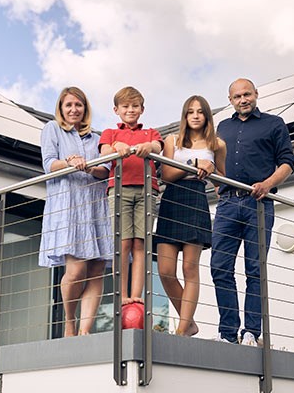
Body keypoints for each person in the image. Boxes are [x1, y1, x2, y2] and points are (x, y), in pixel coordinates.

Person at [210, 78, 294, 345]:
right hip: (226, 205)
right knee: (219, 266)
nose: (243, 99)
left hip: (258, 203)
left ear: (256, 94)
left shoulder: (273, 124)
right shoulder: (223, 127)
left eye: (247, 94)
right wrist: (217, 182)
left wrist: (268, 184)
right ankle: (228, 333)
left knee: (254, 269)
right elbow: (215, 163)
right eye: (237, 96)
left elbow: (287, 162)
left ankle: (251, 332)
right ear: (230, 100)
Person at [39, 87, 112, 337]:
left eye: (78, 105)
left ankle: (85, 331)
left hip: (95, 207)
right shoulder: (52, 129)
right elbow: (49, 164)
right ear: (61, 108)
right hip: (68, 207)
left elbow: (106, 171)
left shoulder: (97, 137)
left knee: (96, 270)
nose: (73, 110)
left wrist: (90, 168)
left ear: (85, 108)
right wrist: (70, 162)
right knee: (76, 270)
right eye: (68, 105)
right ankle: (69, 321)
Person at [155, 95, 226, 336]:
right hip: (172, 200)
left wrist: (213, 168)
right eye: (190, 111)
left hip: (196, 199)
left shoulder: (217, 145)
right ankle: (190, 323)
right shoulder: (172, 140)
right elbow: (165, 174)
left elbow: (222, 181)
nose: (195, 115)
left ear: (207, 115)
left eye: (200, 111)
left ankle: (182, 328)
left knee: (190, 268)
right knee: (165, 270)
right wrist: (195, 163)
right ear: (184, 116)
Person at [99, 86, 163, 305]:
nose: (130, 110)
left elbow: (157, 146)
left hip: (147, 190)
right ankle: (122, 295)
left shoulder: (150, 132)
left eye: (135, 106)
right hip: (119, 190)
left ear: (142, 109)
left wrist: (147, 146)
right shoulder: (111, 133)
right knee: (123, 243)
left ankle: (136, 295)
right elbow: (104, 152)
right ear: (116, 109)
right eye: (125, 106)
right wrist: (117, 146)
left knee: (140, 243)